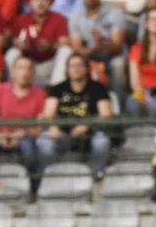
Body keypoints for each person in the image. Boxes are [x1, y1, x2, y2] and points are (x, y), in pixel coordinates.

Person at [37, 53, 113, 181]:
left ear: (87, 68)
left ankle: (94, 179)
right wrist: (53, 127)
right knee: (43, 140)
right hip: (63, 134)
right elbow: (48, 113)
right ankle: (49, 177)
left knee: (102, 141)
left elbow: (106, 115)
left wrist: (87, 125)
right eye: (72, 65)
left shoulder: (98, 88)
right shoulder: (57, 88)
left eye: (80, 65)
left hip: (90, 134)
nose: (76, 69)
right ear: (67, 69)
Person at [0, 57, 47, 184]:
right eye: (21, 68)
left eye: (29, 68)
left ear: (33, 73)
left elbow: (40, 126)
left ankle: (34, 188)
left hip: (24, 135)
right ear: (12, 72)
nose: (25, 72)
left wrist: (23, 134)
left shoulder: (40, 94)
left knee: (29, 150)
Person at [68, 0, 128, 101]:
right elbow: (77, 48)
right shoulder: (75, 16)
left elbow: (117, 46)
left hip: (112, 55)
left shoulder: (115, 12)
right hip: (89, 55)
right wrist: (92, 50)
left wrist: (103, 44)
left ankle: (120, 110)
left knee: (118, 65)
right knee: (75, 63)